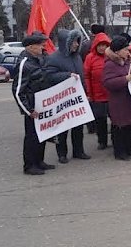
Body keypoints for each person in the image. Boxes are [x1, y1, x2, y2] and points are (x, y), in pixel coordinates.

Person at [13, 32, 57, 175]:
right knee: (31, 136)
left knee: (41, 134)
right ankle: (30, 165)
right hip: (32, 107)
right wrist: (28, 110)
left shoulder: (40, 59)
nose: (43, 47)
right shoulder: (24, 64)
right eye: (40, 45)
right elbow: (18, 91)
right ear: (31, 47)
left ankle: (39, 161)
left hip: (42, 103)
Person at [45, 29, 91, 164]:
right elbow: (49, 76)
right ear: (66, 42)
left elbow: (81, 77)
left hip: (77, 98)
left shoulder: (77, 57)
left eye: (78, 41)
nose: (77, 44)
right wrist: (66, 75)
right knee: (63, 128)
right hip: (63, 99)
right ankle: (62, 154)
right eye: (74, 42)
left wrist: (85, 93)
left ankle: (78, 151)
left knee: (78, 127)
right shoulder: (53, 58)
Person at [103, 36, 131, 160]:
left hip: (130, 100)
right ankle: (120, 152)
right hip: (119, 101)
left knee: (130, 126)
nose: (128, 52)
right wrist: (125, 79)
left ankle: (130, 147)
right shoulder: (110, 64)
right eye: (125, 50)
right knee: (120, 127)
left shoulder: (128, 63)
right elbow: (108, 83)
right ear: (117, 51)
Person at [83, 32, 112, 150]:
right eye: (100, 45)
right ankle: (102, 141)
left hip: (111, 94)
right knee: (100, 120)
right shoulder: (90, 57)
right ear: (95, 45)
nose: (102, 47)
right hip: (97, 95)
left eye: (104, 45)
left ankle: (116, 139)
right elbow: (86, 76)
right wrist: (89, 93)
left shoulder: (111, 56)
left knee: (115, 119)